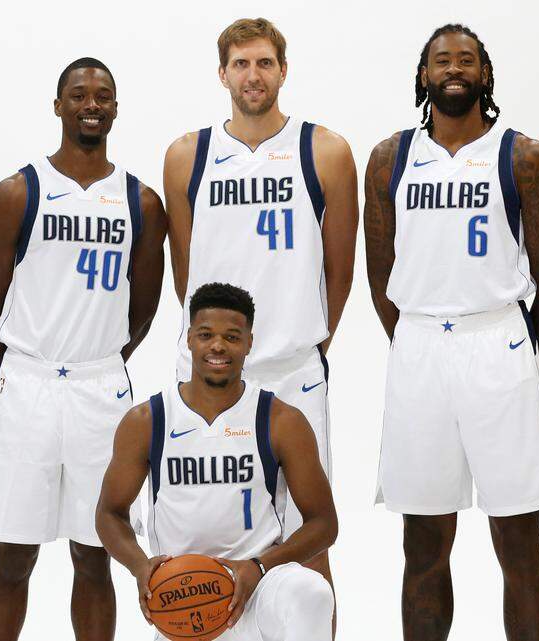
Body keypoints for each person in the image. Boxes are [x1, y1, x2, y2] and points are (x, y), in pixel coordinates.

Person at [363, 24, 539, 641]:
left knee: (517, 535)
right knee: (424, 537)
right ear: (423, 76)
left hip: (499, 344)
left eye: (467, 59)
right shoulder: (391, 158)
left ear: (485, 74)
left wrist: (524, 360)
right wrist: (416, 341)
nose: (454, 68)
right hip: (422, 345)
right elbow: (383, 273)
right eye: (441, 60)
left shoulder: (522, 155)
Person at [0, 57, 167, 641]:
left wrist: (100, 357)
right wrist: (17, 365)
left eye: (102, 95)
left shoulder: (141, 201)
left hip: (99, 389)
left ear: (115, 107)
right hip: (27, 384)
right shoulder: (16, 192)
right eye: (78, 95)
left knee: (95, 554)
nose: (91, 104)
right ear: (57, 106)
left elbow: (145, 306)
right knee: (14, 558)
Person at [162, 17, 358, 604]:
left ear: (283, 71)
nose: (253, 74)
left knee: (308, 540)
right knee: (200, 534)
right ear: (222, 73)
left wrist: (313, 338)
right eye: (241, 63)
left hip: (293, 369)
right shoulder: (186, 154)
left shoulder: (323, 150)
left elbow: (340, 267)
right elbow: (185, 267)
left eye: (265, 62)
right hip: (210, 375)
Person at [96, 282, 338, 641]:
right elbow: (109, 512)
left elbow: (324, 523)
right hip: (183, 597)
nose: (218, 346)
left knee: (312, 592)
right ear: (189, 338)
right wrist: (140, 566)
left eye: (232, 336)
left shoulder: (279, 420)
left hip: (258, 592)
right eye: (206, 334)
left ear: (249, 343)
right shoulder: (148, 421)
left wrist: (259, 566)